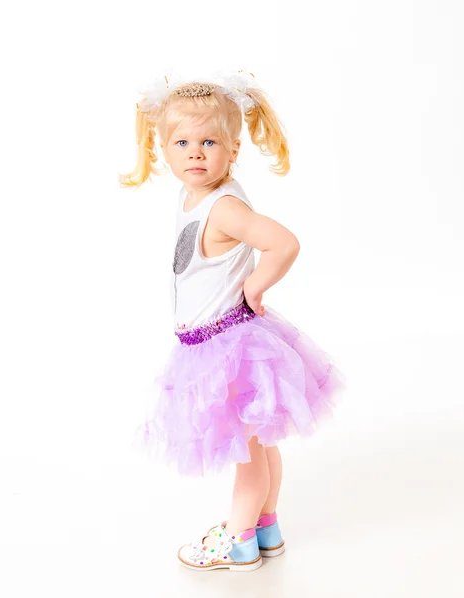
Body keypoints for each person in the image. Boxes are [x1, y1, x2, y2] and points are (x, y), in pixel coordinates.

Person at [119, 70, 346, 572]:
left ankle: (239, 542)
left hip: (226, 347)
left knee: (247, 455)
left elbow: (283, 243)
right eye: (183, 142)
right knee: (259, 446)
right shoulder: (193, 196)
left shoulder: (222, 206)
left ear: (233, 149)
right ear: (163, 148)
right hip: (216, 340)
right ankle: (267, 527)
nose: (195, 153)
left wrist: (255, 285)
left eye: (209, 142)